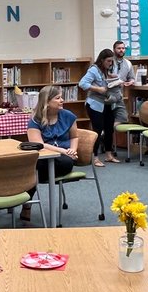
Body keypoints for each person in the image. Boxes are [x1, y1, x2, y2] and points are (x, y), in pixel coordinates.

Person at [25, 84, 79, 220]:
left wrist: (73, 150)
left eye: (61, 97)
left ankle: (25, 200)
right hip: (43, 157)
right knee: (33, 166)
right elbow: (38, 145)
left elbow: (74, 137)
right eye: (58, 98)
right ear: (47, 102)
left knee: (32, 171)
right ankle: (25, 201)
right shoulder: (35, 120)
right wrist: (62, 150)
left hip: (63, 160)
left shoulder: (69, 116)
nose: (62, 100)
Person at [79, 49, 123, 165]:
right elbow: (82, 84)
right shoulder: (93, 70)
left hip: (108, 103)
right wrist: (98, 89)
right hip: (95, 104)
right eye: (108, 61)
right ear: (102, 60)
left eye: (111, 61)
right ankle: (95, 157)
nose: (110, 63)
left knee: (109, 129)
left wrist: (115, 80)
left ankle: (109, 154)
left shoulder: (107, 70)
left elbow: (108, 81)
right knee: (97, 131)